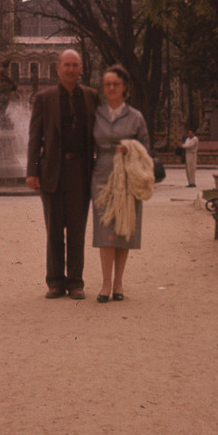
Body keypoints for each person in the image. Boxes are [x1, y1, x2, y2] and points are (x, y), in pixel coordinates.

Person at [26, 49, 99, 300]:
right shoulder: (44, 98)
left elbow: (100, 134)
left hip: (81, 170)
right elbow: (35, 137)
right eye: (66, 65)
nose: (70, 69)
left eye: (74, 65)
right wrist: (31, 172)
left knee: (77, 230)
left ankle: (76, 282)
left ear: (80, 69)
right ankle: (55, 282)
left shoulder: (91, 97)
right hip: (52, 171)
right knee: (54, 229)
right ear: (58, 68)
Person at [91, 65, 152, 303]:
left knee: (124, 228)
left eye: (116, 84)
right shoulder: (96, 114)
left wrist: (131, 149)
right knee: (105, 229)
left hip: (128, 177)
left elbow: (146, 149)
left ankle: (119, 283)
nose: (112, 88)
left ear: (124, 86)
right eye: (107, 84)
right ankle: (106, 283)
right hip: (102, 177)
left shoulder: (135, 116)